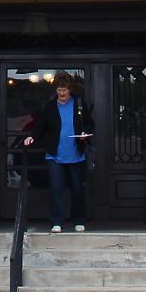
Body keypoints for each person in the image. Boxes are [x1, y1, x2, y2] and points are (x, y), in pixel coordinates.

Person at [21, 75, 93, 233]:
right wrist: (32, 136)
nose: (62, 93)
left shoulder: (78, 104)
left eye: (65, 90)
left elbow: (89, 123)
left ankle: (79, 220)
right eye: (59, 90)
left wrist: (85, 133)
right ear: (56, 90)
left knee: (78, 189)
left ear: (70, 90)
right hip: (55, 154)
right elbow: (40, 126)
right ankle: (57, 222)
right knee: (55, 188)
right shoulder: (50, 106)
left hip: (76, 153)